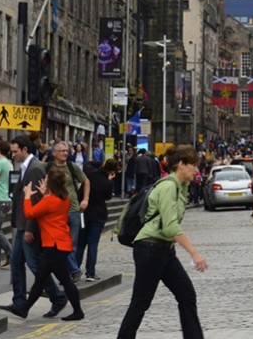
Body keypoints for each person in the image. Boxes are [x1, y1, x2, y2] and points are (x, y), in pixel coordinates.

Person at [117, 145, 207, 339]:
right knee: (141, 302)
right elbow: (170, 226)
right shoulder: (168, 186)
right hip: (150, 249)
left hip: (164, 250)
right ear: (181, 164)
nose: (196, 170)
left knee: (187, 295)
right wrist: (194, 253)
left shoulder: (180, 187)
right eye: (193, 166)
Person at [0, 166, 84, 321]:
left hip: (54, 245)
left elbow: (30, 212)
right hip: (60, 244)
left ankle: (76, 311)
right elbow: (47, 209)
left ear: (50, 184)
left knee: (58, 280)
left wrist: (27, 196)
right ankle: (25, 308)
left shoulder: (51, 200)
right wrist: (45, 195)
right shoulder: (64, 198)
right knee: (42, 280)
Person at [5, 135, 66, 316]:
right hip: (22, 224)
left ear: (25, 150)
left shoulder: (35, 168)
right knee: (16, 262)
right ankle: (19, 303)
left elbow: (36, 200)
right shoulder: (26, 167)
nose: (13, 155)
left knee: (34, 264)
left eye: (15, 151)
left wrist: (30, 228)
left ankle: (57, 297)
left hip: (28, 226)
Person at [47, 141, 90, 279]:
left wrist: (85, 199)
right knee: (60, 243)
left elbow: (86, 181)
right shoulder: (47, 167)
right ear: (54, 153)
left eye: (66, 151)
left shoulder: (72, 167)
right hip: (55, 211)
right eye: (61, 151)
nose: (65, 153)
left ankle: (70, 271)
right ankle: (73, 270)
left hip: (73, 210)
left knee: (72, 243)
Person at [76, 157, 115, 281]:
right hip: (98, 214)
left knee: (80, 243)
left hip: (84, 213)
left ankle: (75, 270)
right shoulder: (107, 182)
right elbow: (108, 197)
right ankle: (90, 273)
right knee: (93, 243)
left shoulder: (90, 176)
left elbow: (80, 192)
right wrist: (109, 181)